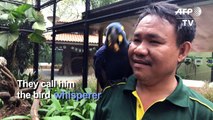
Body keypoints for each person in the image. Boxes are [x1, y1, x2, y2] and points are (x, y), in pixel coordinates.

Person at [93, 2, 213, 120]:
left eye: (154, 41)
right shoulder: (109, 97)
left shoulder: (204, 114)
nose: (139, 50)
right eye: (136, 40)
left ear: (182, 51)